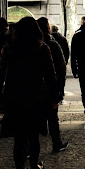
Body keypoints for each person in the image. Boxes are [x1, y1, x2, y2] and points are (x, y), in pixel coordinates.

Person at [0, 16, 58, 169]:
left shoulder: (9, 47)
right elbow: (51, 75)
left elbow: (0, 72)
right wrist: (54, 98)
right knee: (33, 135)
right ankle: (33, 167)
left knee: (19, 138)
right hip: (36, 96)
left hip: (15, 96)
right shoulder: (42, 48)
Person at [37, 17, 68, 153]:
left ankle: (28, 149)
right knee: (52, 117)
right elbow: (61, 69)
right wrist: (59, 91)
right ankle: (56, 142)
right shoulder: (53, 45)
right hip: (50, 87)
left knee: (34, 119)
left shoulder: (29, 45)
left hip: (34, 87)